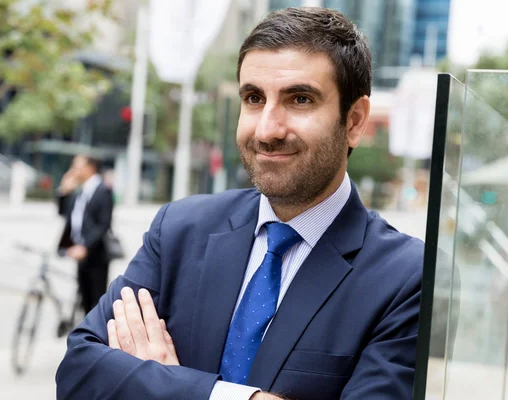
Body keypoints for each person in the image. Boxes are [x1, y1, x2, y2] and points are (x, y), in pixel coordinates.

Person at [56, 7, 424, 400]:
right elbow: (79, 373)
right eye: (253, 98)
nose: (267, 129)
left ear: (353, 121)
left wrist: (165, 385)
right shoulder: (180, 231)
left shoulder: (405, 279)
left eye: (300, 99)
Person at [57, 154, 114, 315]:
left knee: (96, 301)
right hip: (79, 252)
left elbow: (104, 225)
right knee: (84, 298)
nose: (73, 171)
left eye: (77, 167)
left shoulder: (103, 190)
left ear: (90, 168)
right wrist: (64, 192)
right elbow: (65, 214)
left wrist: (85, 246)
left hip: (96, 254)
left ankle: (96, 338)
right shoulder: (80, 191)